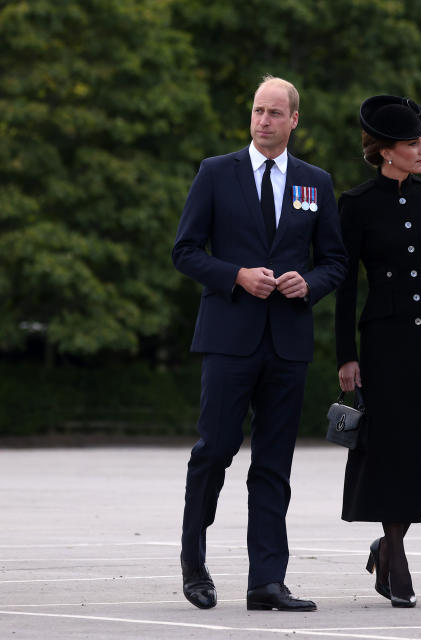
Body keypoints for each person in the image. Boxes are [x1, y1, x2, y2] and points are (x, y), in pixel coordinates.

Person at [172, 75, 347, 612]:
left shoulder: (315, 182)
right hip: (229, 338)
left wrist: (308, 284)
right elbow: (185, 251)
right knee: (215, 452)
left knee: (274, 464)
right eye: (257, 111)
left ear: (295, 120)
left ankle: (266, 581)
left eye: (274, 113)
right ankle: (194, 562)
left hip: (287, 344)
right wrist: (236, 275)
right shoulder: (216, 173)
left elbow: (335, 262)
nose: (263, 120)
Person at [334, 95, 421, 608]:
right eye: (414, 143)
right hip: (382, 343)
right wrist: (344, 355)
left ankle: (386, 545)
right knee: (389, 449)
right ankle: (397, 556)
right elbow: (346, 284)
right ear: (386, 152)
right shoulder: (356, 204)